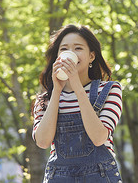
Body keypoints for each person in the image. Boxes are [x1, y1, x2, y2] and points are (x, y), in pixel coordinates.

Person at [33, 24, 123, 182]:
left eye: (78, 48)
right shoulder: (45, 99)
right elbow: (42, 141)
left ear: (92, 56)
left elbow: (99, 137)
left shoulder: (110, 90)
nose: (71, 53)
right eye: (64, 49)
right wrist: (56, 92)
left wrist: (77, 87)